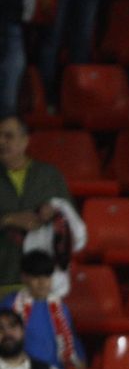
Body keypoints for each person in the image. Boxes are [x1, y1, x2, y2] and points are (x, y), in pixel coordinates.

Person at [1, 117, 72, 293]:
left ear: (25, 140)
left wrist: (55, 212)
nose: (1, 141)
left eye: (8, 136)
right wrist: (8, 219)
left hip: (42, 283)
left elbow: (71, 222)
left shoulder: (49, 175)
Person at [1, 249, 83, 369]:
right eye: (36, 277)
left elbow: (71, 340)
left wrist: (80, 362)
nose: (43, 283)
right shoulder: (10, 304)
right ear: (24, 277)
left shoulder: (61, 308)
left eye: (47, 276)